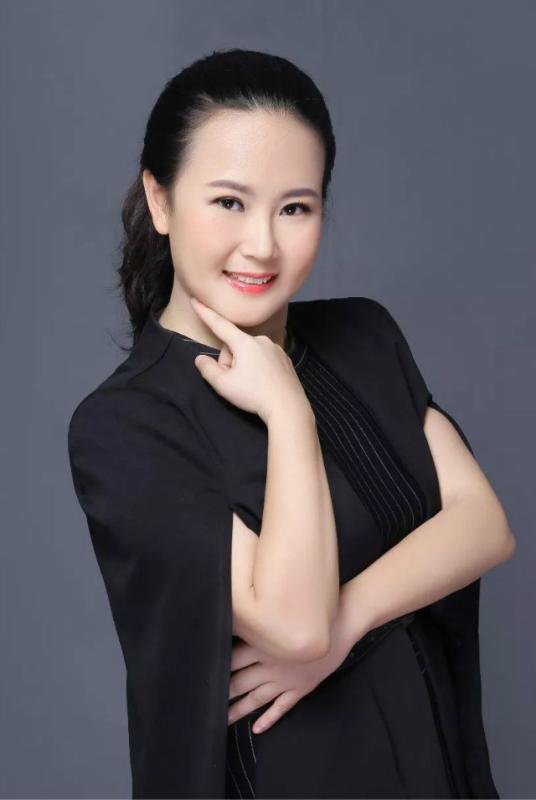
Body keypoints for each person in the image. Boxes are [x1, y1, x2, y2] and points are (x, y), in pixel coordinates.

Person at [67, 48, 516, 799]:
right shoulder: (127, 426)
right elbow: (294, 625)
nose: (262, 245)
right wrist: (288, 412)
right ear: (160, 200)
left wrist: (349, 623)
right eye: (229, 202)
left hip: (434, 764)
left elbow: (483, 525)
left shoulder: (363, 335)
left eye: (295, 208)